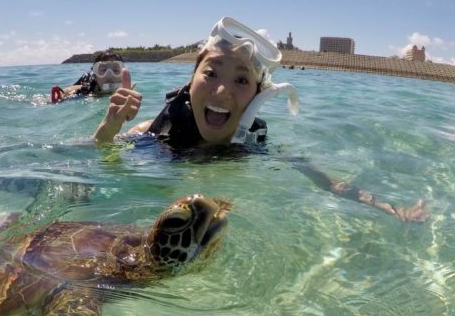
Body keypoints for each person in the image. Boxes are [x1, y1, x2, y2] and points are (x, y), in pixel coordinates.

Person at [91, 17, 429, 222]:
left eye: (241, 80)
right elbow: (90, 165)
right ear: (190, 81)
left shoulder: (255, 146)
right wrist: (107, 131)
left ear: (257, 97)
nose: (222, 90)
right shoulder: (149, 134)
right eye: (210, 73)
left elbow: (330, 184)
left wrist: (388, 207)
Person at [51, 51, 126, 103]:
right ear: (95, 76)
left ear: (122, 74)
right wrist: (61, 96)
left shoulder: (126, 89)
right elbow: (68, 90)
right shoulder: (88, 89)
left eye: (116, 70)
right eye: (104, 69)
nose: (109, 74)